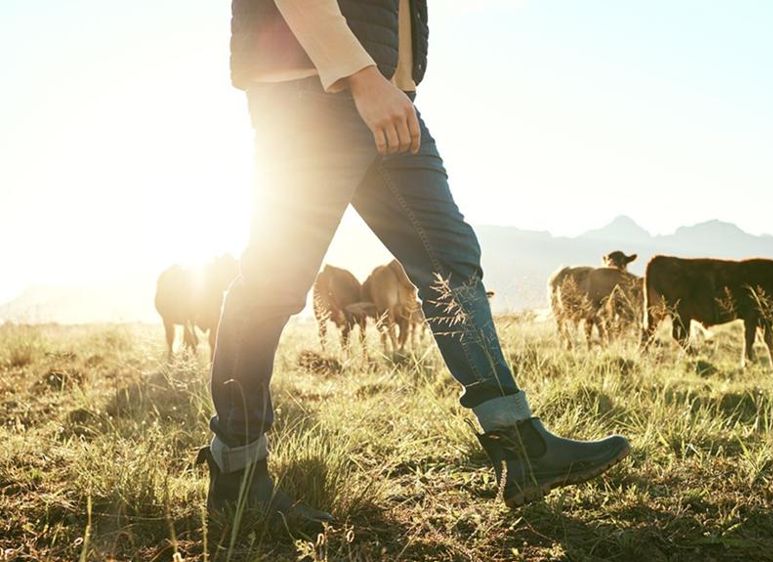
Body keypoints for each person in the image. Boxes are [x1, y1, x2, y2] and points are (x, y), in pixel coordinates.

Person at [197, 0, 631, 526]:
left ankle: (519, 446)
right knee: (273, 283)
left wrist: (386, 83)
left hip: (386, 93)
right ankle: (237, 474)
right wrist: (361, 77)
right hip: (312, 90)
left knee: (451, 258)